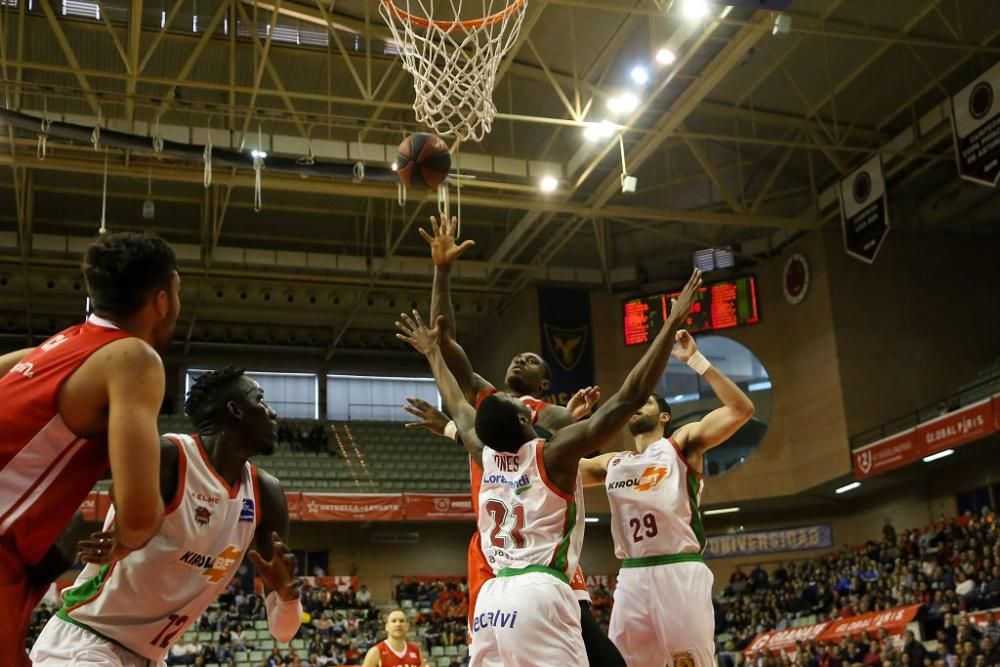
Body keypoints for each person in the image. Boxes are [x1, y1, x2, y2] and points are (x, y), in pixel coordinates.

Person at [395, 267, 701, 667]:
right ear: (524, 421)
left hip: (496, 590)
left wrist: (432, 352)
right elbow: (630, 396)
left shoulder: (484, 448)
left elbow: (456, 400)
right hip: (537, 583)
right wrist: (671, 322)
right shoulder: (552, 450)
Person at [418, 216, 621, 665]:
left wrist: (568, 418)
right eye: (518, 354)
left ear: (544, 385)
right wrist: (442, 273)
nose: (521, 356)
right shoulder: (494, 403)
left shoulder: (539, 413)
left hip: (535, 549)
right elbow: (449, 348)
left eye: (533, 358)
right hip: (500, 553)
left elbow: (462, 397)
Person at [30, 367, 303, 666]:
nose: (272, 413)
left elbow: (283, 632)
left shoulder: (267, 494)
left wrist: (286, 595)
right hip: (85, 642)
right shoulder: (170, 456)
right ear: (235, 410)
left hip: (153, 658)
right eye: (261, 400)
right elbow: (79, 472)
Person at [0, 231, 180, 665]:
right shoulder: (133, 358)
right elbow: (139, 518)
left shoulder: (50, 348)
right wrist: (120, 539)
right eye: (177, 292)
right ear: (161, 301)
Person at [578, 329, 755, 667]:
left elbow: (741, 409)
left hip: (678, 569)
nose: (635, 407)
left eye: (645, 401)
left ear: (664, 417)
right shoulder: (614, 463)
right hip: (631, 575)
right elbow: (556, 466)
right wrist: (573, 422)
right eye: (632, 403)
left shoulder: (681, 445)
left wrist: (696, 361)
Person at [362, 609, 427, 667]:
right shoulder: (376, 652)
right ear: (386, 627)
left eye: (401, 621)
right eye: (393, 621)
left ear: (407, 626)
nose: (398, 624)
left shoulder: (416, 650)